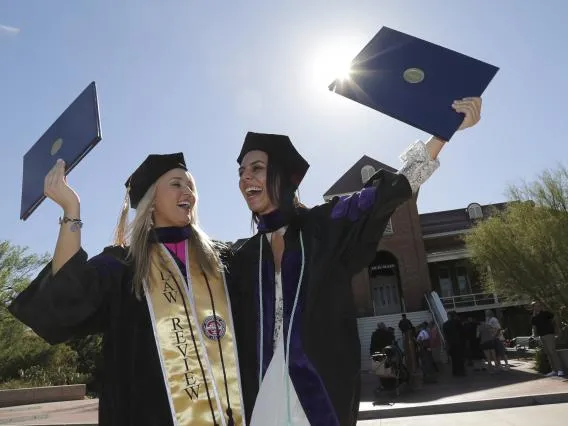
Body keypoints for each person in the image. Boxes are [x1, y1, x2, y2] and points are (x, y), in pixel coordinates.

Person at [228, 97, 483, 425]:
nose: (245, 177)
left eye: (256, 168)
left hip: (319, 394)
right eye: (241, 171)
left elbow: (386, 192)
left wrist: (444, 133)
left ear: (282, 175)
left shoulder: (323, 227)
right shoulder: (244, 257)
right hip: (261, 397)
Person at [8, 154, 244, 426]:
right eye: (177, 184)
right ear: (152, 200)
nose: (188, 192)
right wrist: (71, 209)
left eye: (191, 186)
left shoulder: (221, 261)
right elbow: (68, 293)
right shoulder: (124, 265)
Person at [532, 302, 564, 377]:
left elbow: (555, 318)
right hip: (541, 336)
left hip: (549, 335)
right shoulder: (534, 317)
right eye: (536, 306)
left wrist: (557, 329)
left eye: (539, 306)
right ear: (533, 307)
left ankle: (560, 370)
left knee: (552, 352)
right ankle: (554, 370)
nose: (537, 307)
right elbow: (534, 327)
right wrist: (535, 335)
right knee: (548, 353)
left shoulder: (546, 313)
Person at [443, 311, 466, 376]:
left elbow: (445, 335)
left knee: (453, 359)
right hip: (459, 343)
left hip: (451, 343)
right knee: (460, 357)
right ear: (453, 316)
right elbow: (463, 332)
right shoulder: (458, 323)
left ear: (448, 316)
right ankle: (461, 371)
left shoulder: (445, 324)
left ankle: (455, 371)